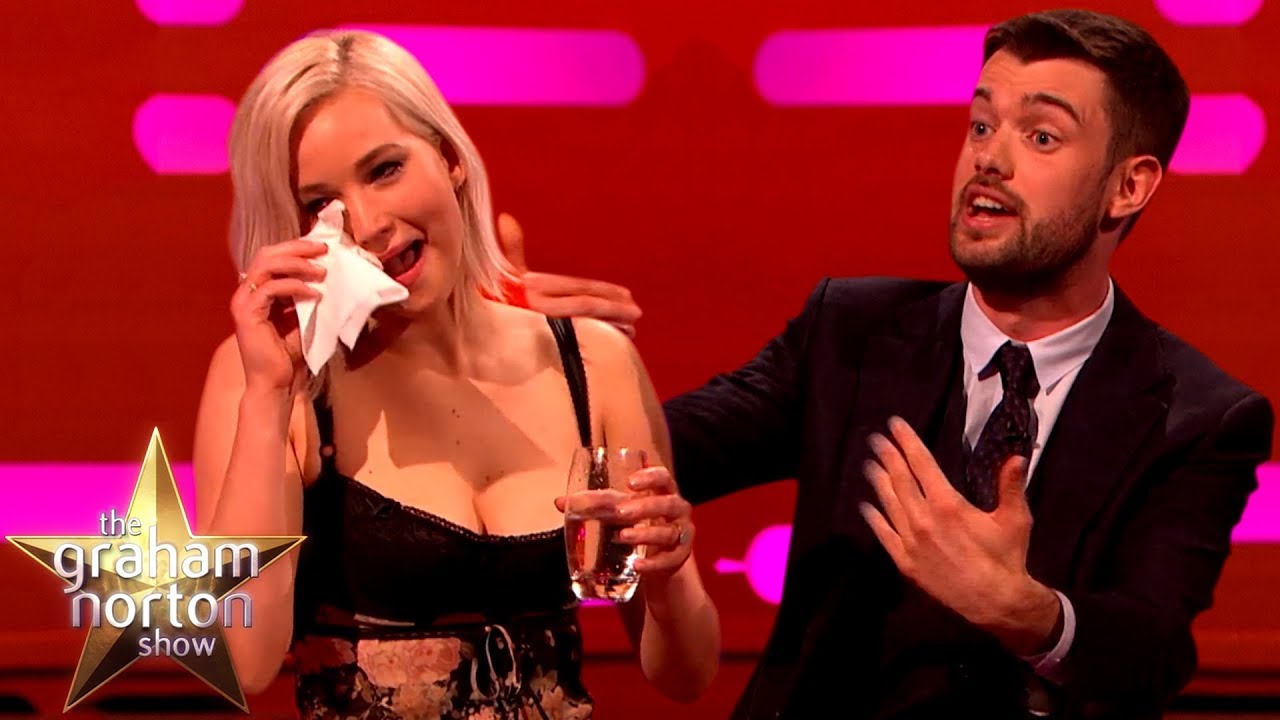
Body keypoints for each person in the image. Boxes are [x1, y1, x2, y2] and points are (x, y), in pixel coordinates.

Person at [502, 9, 1274, 719]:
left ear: (1129, 186)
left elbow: (1149, 650)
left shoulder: (1200, 416)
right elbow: (648, 455)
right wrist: (498, 347)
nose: (990, 159)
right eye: (981, 125)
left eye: (1041, 137)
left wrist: (1027, 613)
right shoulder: (851, 332)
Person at [191, 29, 719, 720]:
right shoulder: (270, 379)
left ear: (449, 158)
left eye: (385, 170)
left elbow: (686, 675)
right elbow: (242, 661)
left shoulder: (594, 362)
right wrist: (267, 393)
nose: (369, 224)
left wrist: (671, 576)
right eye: (322, 205)